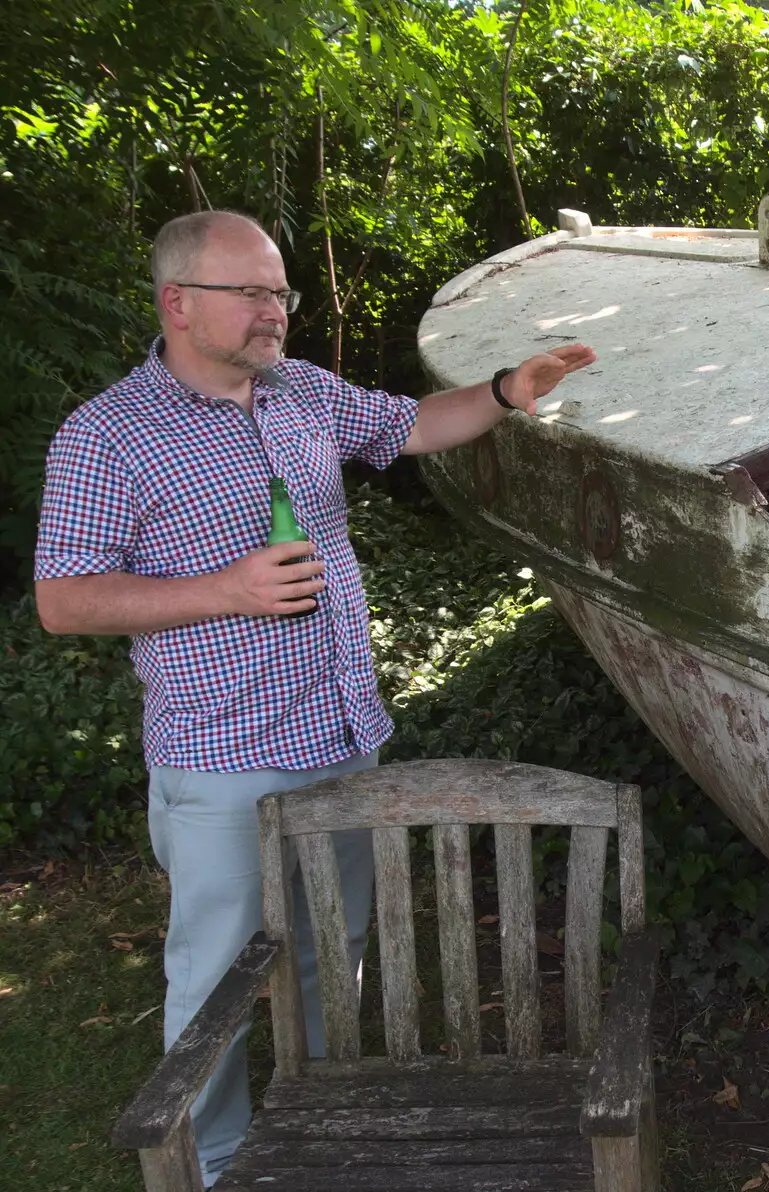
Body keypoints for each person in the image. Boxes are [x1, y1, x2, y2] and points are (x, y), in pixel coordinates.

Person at [32, 210, 594, 1185]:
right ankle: (207, 1166)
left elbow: (413, 423)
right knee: (212, 982)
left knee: (334, 957)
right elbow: (63, 599)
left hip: (343, 738)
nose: (273, 311)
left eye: (279, 291)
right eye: (248, 292)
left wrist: (506, 391)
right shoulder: (105, 437)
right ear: (177, 303)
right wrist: (229, 589)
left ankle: (318, 1136)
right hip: (223, 762)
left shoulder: (301, 392)